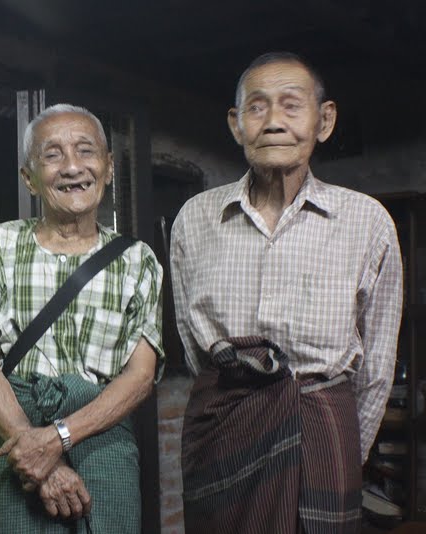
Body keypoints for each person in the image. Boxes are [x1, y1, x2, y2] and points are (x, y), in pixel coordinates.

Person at [171, 52, 403, 533]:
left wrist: (336, 447)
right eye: (257, 108)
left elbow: (377, 367)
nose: (273, 122)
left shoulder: (366, 221)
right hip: (223, 429)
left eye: (291, 106)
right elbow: (196, 349)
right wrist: (242, 397)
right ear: (236, 125)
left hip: (324, 432)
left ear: (325, 121)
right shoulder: (195, 218)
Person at [0, 104, 164, 533]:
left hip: (101, 441)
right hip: (11, 439)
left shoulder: (138, 260)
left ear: (107, 168)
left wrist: (59, 437)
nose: (71, 167)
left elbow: (140, 377)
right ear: (29, 177)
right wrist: (38, 454)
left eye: (85, 152)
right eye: (52, 155)